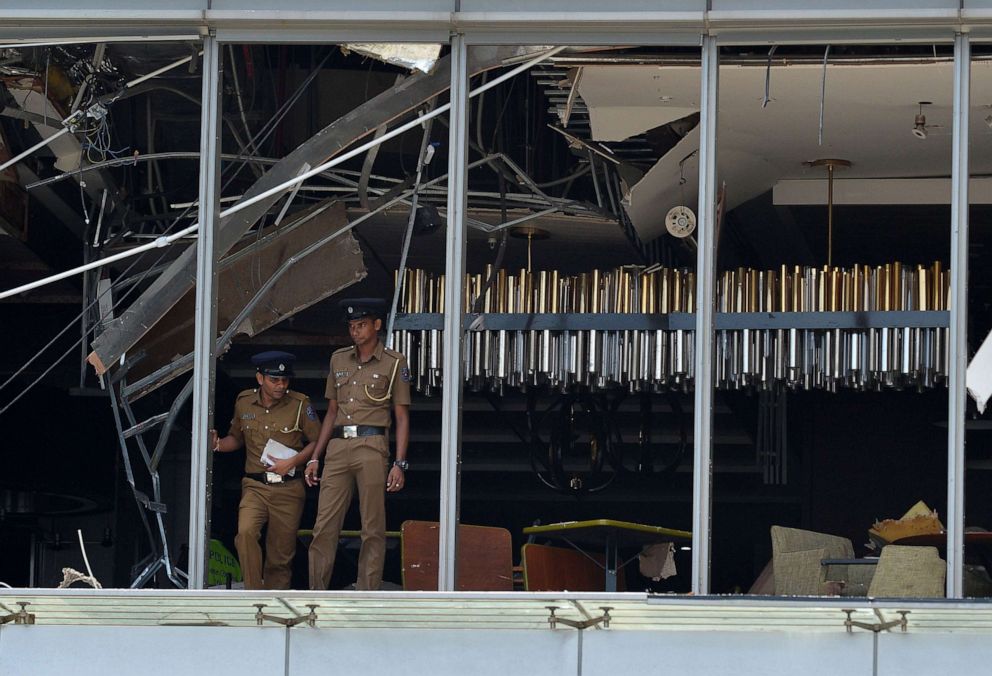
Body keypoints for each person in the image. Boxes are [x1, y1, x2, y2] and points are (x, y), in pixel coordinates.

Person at [306, 298, 411, 591]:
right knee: (324, 526)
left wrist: (399, 464)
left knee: (372, 528)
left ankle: (367, 594)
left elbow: (401, 416)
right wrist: (316, 457)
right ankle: (317, 593)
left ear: (377, 325)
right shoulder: (338, 359)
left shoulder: (394, 362)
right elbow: (331, 412)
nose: (356, 331)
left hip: (372, 444)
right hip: (338, 447)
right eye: (352, 326)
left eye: (362, 325)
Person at [210, 351, 321, 590]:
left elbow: (317, 441)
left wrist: (292, 463)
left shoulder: (300, 404)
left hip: (289, 489)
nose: (281, 385)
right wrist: (217, 445)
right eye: (275, 380)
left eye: (285, 380)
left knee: (280, 557)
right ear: (260, 378)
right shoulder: (243, 402)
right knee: (245, 534)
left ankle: (273, 608)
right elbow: (236, 439)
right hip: (255, 486)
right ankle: (253, 595)